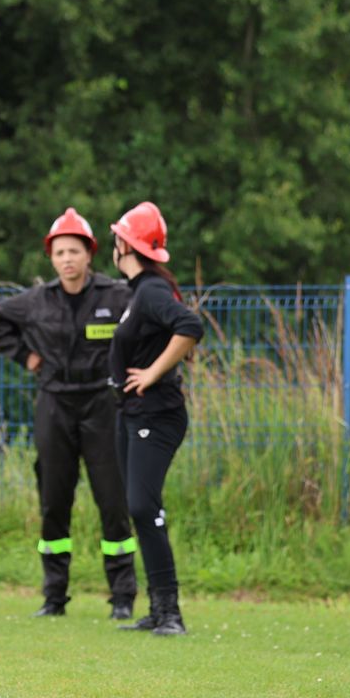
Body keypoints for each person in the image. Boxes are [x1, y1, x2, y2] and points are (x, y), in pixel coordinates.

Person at [0, 208, 138, 619]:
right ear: (51, 258)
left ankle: (123, 597)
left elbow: (151, 320)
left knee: (113, 500)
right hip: (54, 404)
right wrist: (25, 356)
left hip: (103, 404)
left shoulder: (116, 295)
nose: (67, 259)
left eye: (74, 251)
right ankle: (54, 597)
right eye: (60, 252)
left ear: (89, 254)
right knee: (53, 501)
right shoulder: (36, 301)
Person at [107, 201, 205, 636]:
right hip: (131, 413)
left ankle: (171, 614)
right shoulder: (138, 293)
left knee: (144, 506)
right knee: (140, 507)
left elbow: (191, 327)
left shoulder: (150, 290)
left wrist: (152, 372)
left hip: (157, 413)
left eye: (116, 239)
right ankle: (156, 610)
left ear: (126, 246)